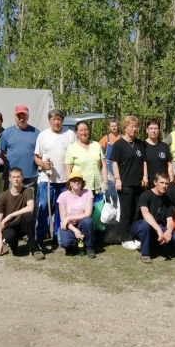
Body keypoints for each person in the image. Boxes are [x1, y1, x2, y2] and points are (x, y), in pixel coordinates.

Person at [34, 109, 77, 248]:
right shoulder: (43, 135)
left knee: (61, 209)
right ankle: (40, 237)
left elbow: (76, 155)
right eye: (54, 119)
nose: (56, 122)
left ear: (62, 120)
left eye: (59, 119)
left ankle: (58, 235)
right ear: (49, 120)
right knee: (44, 207)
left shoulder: (70, 134)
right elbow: (36, 157)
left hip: (65, 180)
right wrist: (43, 164)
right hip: (46, 180)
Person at [110, 116, 146, 250]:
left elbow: (144, 161)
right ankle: (125, 239)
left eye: (136, 126)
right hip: (125, 183)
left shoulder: (139, 143)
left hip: (138, 183)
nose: (134, 129)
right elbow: (114, 163)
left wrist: (146, 176)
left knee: (136, 211)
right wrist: (117, 179)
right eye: (132, 126)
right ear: (125, 128)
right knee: (126, 212)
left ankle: (133, 236)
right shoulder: (118, 144)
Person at [133, 172, 175, 264]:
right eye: (162, 183)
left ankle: (156, 246)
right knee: (145, 226)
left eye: (166, 183)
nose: (164, 186)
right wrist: (159, 229)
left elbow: (169, 220)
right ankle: (145, 254)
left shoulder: (167, 200)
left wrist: (169, 231)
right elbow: (145, 213)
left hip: (157, 228)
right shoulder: (146, 195)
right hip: (142, 224)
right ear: (155, 182)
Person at [0, 167, 43, 260]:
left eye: (18, 177)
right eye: (13, 177)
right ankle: (12, 245)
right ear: (9, 179)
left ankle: (34, 248)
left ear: (22, 178)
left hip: (22, 224)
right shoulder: (3, 197)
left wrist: (10, 215)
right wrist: (0, 242)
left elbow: (30, 207)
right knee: (10, 237)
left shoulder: (27, 191)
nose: (16, 179)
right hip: (10, 225)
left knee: (29, 216)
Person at [0, 105, 40, 198]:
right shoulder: (7, 133)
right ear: (14, 117)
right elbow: (2, 151)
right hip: (12, 176)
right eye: (19, 116)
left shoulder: (36, 132)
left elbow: (39, 153)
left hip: (30, 175)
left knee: (29, 203)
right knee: (11, 204)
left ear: (28, 117)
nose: (21, 119)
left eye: (24, 116)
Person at [57, 172, 96, 258]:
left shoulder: (88, 193)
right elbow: (63, 220)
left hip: (82, 223)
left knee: (87, 220)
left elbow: (87, 214)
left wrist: (69, 217)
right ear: (69, 183)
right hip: (69, 225)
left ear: (82, 182)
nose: (76, 182)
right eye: (74, 181)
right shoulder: (63, 196)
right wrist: (75, 230)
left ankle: (89, 247)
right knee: (65, 243)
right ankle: (70, 245)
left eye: (79, 180)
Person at [64, 121, 108, 193]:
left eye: (86, 130)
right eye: (81, 130)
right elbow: (67, 169)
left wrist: (105, 182)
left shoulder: (96, 145)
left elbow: (103, 165)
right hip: (80, 188)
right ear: (76, 133)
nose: (84, 133)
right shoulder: (71, 148)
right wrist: (70, 185)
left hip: (97, 187)